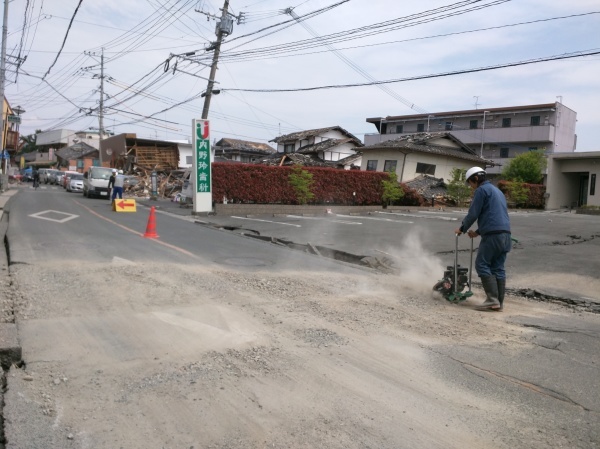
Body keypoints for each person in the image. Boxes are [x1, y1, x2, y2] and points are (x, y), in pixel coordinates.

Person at [454, 167, 511, 311]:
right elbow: (494, 215)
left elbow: (473, 213)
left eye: (470, 183)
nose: (471, 186)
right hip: (505, 234)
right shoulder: (498, 191)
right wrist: (478, 232)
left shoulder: (481, 190)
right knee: (498, 268)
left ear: (475, 179)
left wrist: (462, 228)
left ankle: (492, 300)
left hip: (493, 235)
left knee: (482, 264)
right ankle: (499, 303)